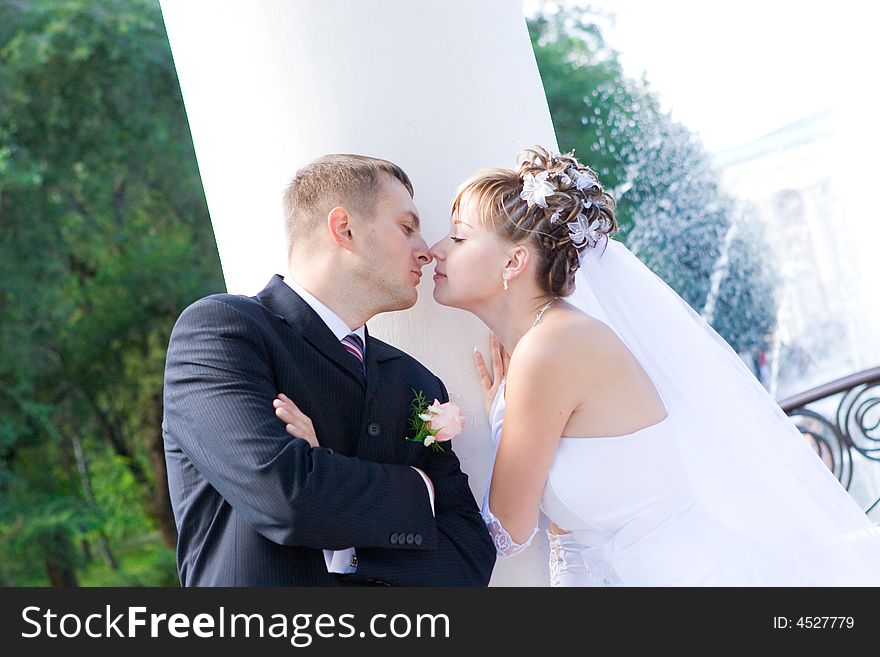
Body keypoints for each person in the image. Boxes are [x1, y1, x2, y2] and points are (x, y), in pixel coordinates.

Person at [424, 145, 880, 586]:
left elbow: (506, 531)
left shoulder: (549, 350)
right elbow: (570, 538)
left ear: (514, 260)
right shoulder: (549, 345)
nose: (436, 249)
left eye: (459, 237)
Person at [162, 154, 495, 586]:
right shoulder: (222, 332)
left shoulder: (415, 381)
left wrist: (344, 534)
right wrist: (419, 488)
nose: (427, 251)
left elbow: (470, 559)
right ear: (345, 229)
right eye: (407, 227)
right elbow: (287, 497)